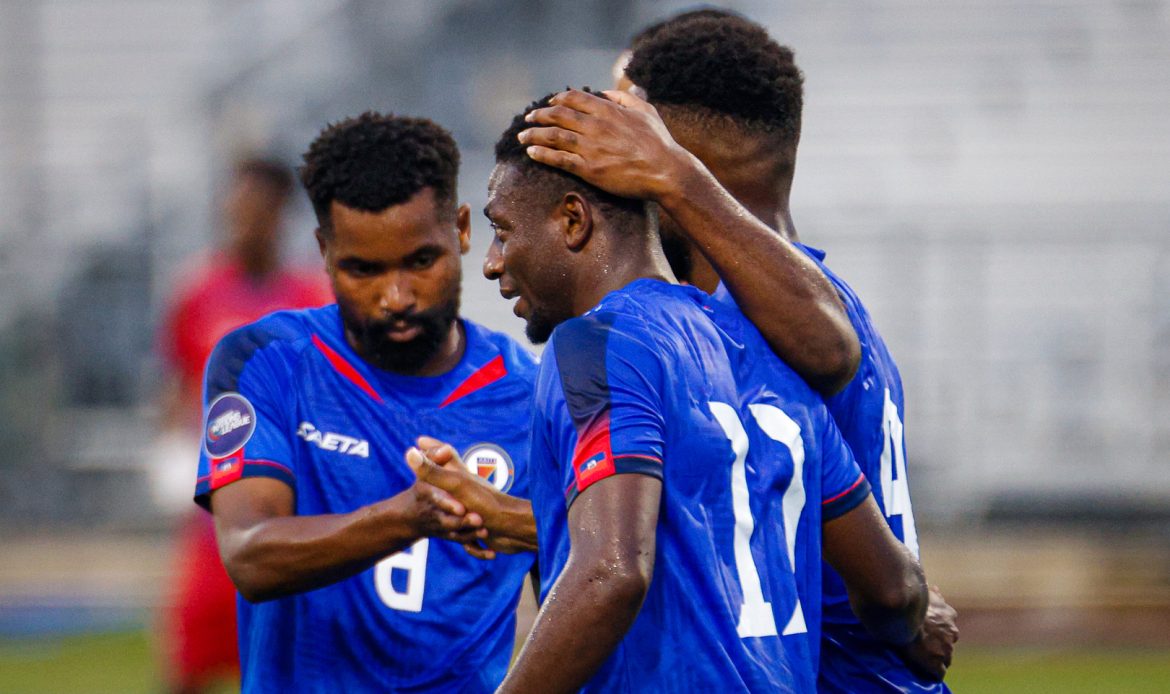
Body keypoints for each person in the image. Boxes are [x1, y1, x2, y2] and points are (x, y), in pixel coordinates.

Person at [411, 93, 928, 693]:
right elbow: (896, 589)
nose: (493, 263)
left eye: (503, 232)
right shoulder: (770, 351)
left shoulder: (595, 345)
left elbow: (610, 572)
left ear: (574, 221)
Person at [519, 11, 958, 689]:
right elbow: (716, 502)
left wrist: (676, 179)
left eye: (624, 118)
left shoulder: (767, 324)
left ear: (670, 148)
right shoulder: (806, 301)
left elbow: (825, 352)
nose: (601, 131)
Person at [192, 112, 537, 692]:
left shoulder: (532, 393)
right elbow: (251, 555)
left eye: (420, 261)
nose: (396, 297)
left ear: (460, 230)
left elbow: (581, 585)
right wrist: (409, 517)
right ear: (324, 251)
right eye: (363, 270)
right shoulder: (264, 362)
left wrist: (517, 522)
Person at [158, 157, 331, 694]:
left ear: (280, 212)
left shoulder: (310, 300)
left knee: (288, 666)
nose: (244, 218)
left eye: (257, 206)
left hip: (288, 511)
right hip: (212, 514)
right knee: (188, 660)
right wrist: (167, 450)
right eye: (236, 204)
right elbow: (176, 385)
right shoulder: (196, 293)